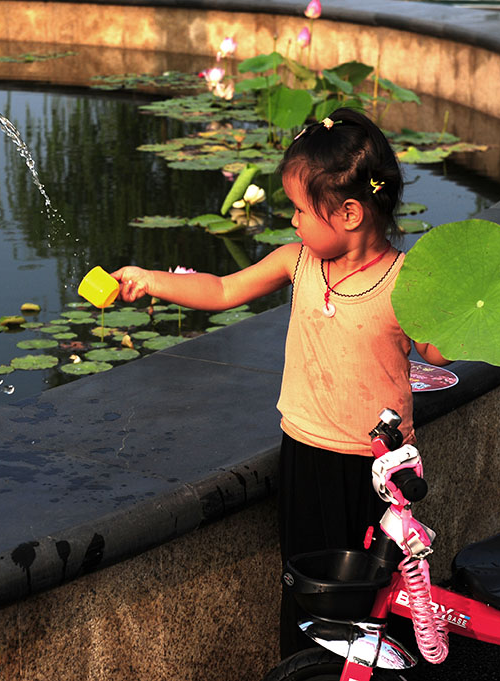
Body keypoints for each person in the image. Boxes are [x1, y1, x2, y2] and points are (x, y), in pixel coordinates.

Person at [110, 107, 448, 658]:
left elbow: (439, 349)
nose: (291, 222)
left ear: (350, 213)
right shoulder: (297, 261)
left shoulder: (405, 284)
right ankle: (303, 669)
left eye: (299, 209)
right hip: (305, 452)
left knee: (372, 593)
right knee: (305, 583)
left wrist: (456, 308)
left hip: (376, 469)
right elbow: (221, 291)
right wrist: (152, 281)